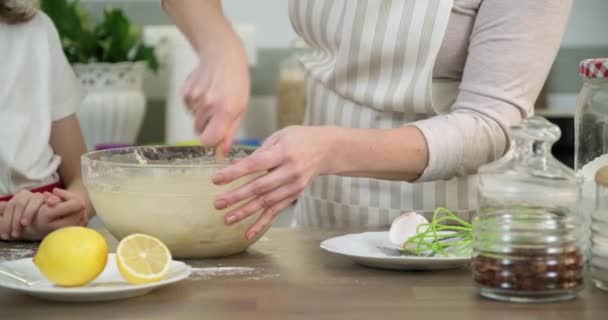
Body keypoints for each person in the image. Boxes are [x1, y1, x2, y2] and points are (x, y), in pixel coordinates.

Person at [163, 0, 572, 238]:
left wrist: (330, 149)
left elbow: (492, 125)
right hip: (323, 225)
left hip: (454, 235)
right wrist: (221, 48)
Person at [0, 1, 92, 241]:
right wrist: (20, 224)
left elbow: (83, 178)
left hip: (50, 244)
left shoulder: (35, 29)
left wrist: (69, 210)